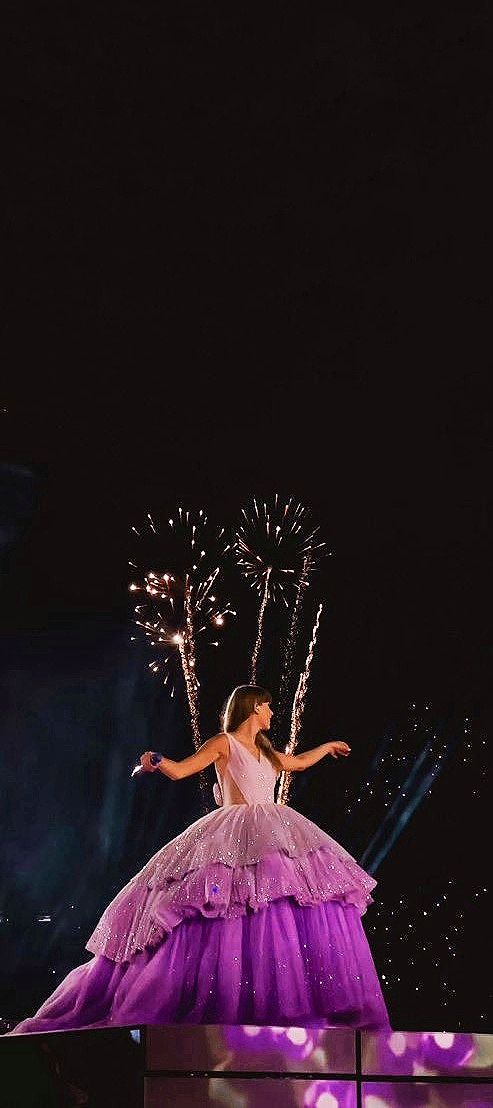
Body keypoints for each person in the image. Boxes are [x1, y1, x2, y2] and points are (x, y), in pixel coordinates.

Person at [6, 685, 390, 1033]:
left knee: (278, 902)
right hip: (234, 831)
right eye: (268, 707)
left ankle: (272, 1005)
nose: (273, 714)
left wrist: (327, 748)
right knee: (223, 905)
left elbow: (298, 763)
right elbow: (184, 769)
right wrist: (156, 759)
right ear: (254, 708)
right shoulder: (224, 743)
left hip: (272, 828)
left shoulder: (267, 751)